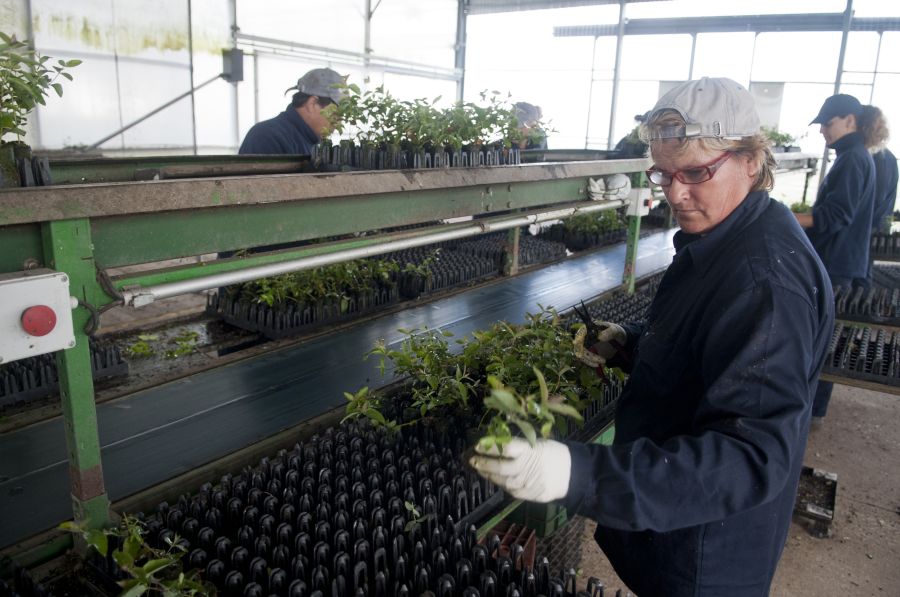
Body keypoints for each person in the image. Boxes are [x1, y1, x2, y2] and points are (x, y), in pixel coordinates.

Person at [469, 77, 834, 597]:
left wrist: (578, 474)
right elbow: (706, 350)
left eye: (696, 173)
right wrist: (630, 343)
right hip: (675, 528)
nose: (675, 193)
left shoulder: (763, 282)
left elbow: (749, 457)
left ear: (751, 160)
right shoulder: (723, 237)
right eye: (663, 174)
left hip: (705, 547)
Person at [796, 94, 876, 421]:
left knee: (821, 338)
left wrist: (785, 218)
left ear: (850, 121)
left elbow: (835, 215)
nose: (822, 131)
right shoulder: (853, 156)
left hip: (836, 263)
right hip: (842, 260)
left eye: (828, 123)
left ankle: (810, 410)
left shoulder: (853, 159)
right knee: (824, 335)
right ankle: (813, 408)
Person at [239, 67, 347, 155]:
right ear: (312, 104)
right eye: (337, 113)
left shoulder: (308, 141)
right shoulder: (266, 137)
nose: (339, 123)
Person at [860, 105, 898, 236]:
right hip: (874, 230)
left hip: (869, 232)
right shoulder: (884, 156)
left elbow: (876, 199)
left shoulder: (879, 157)